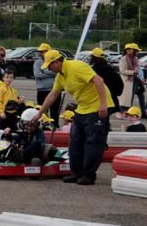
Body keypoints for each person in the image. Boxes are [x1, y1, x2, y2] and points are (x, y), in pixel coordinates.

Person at [38, 48, 114, 185]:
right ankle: (77, 172)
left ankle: (88, 174)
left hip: (97, 106)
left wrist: (103, 104)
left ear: (56, 62)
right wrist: (39, 113)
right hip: (82, 108)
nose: (49, 69)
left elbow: (98, 80)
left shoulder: (76, 67)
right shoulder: (61, 76)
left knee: (93, 141)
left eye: (49, 65)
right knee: (75, 140)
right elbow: (53, 95)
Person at [89, 47, 124, 114]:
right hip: (112, 96)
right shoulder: (109, 67)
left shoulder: (94, 69)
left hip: (101, 97)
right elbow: (118, 80)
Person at [33, 44, 59, 123]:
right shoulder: (37, 63)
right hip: (42, 91)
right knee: (42, 111)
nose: (40, 53)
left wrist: (44, 71)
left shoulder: (55, 62)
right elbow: (37, 75)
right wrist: (51, 73)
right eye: (39, 51)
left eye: (42, 51)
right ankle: (43, 126)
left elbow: (57, 73)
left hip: (54, 90)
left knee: (55, 111)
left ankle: (55, 126)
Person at [119, 44, 140, 118]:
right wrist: (132, 72)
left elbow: (138, 68)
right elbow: (122, 71)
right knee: (124, 99)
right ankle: (122, 113)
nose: (137, 52)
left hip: (134, 80)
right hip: (126, 80)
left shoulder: (135, 59)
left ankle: (128, 113)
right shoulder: (123, 59)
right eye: (136, 50)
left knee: (130, 98)